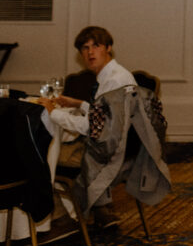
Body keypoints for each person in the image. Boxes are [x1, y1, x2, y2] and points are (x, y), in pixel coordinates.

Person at [39, 25, 136, 230]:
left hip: (109, 154)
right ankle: (100, 209)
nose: (90, 52)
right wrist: (79, 104)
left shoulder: (115, 80)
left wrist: (52, 113)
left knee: (41, 157)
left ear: (108, 47)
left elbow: (92, 127)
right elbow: (105, 115)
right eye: (85, 48)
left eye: (96, 46)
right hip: (122, 146)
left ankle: (60, 218)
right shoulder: (114, 75)